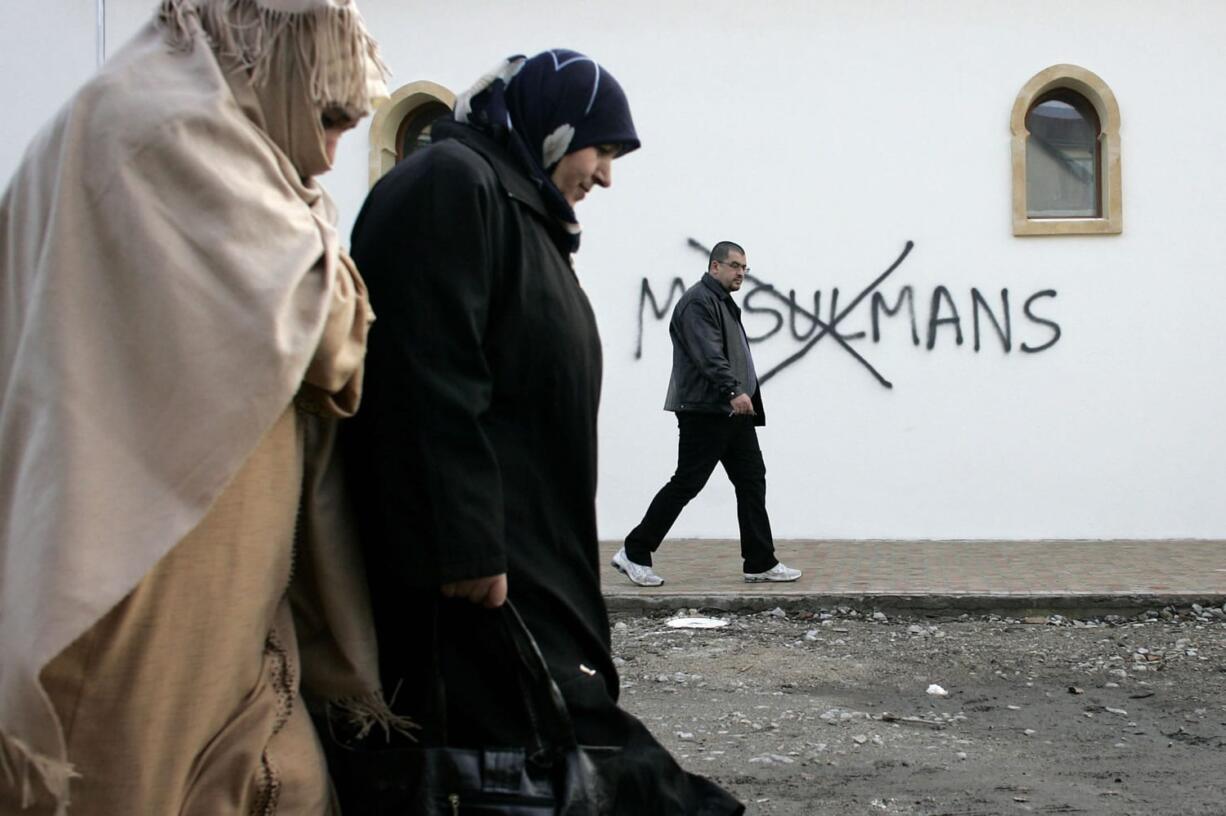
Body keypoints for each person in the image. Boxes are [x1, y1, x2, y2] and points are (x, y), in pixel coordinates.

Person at [0, 1, 390, 813]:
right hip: (142, 575)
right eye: (327, 114)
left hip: (221, 584)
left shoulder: (143, 119)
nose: (329, 154)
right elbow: (326, 333)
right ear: (274, 56)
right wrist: (331, 261)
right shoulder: (165, 129)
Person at [342, 50, 744, 814]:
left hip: (529, 559)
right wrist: (462, 543)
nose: (605, 176)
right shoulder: (450, 185)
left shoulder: (511, 203)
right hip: (484, 581)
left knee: (560, 765)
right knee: (573, 772)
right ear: (552, 126)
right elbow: (424, 370)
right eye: (602, 149)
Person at [614, 242, 803, 587]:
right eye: (735, 266)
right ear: (715, 266)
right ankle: (634, 551)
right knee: (687, 482)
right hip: (706, 410)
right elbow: (708, 355)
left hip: (732, 413)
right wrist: (733, 390)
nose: (741, 273)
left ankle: (760, 562)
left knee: (751, 479)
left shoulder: (721, 302)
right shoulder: (698, 302)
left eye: (745, 267)